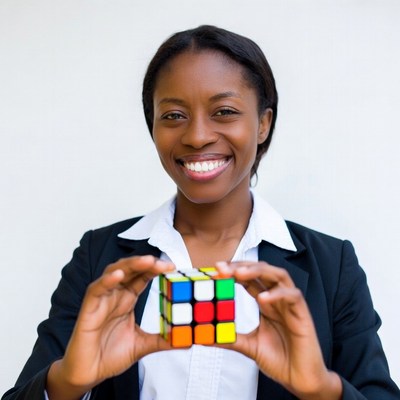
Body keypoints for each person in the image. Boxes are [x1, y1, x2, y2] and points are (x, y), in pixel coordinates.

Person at [2, 25, 399, 400]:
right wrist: (69, 379)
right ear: (153, 127)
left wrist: (322, 389)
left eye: (224, 111)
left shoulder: (332, 266)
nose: (196, 136)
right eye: (173, 115)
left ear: (263, 123)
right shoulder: (99, 256)